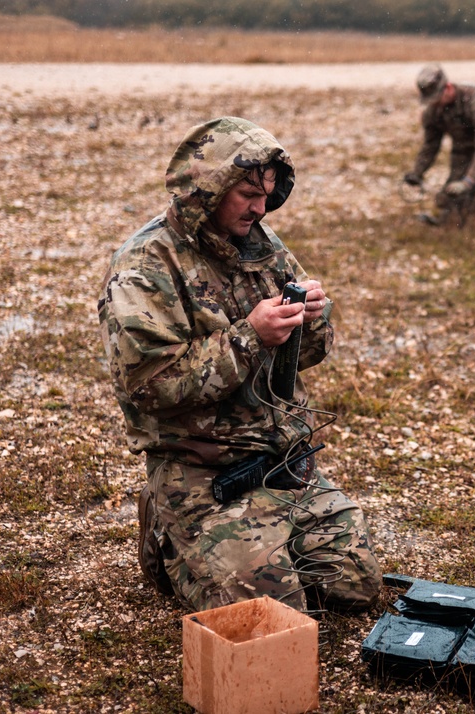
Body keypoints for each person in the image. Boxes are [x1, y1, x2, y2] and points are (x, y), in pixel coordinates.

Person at [98, 116, 382, 614]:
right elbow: (149, 387)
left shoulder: (262, 247)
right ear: (210, 187)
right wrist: (250, 337)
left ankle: (265, 546)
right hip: (203, 473)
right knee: (271, 615)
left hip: (278, 462)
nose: (261, 205)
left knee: (357, 585)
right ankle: (169, 536)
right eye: (248, 191)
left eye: (269, 191)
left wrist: (311, 318)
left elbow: (308, 354)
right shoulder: (145, 267)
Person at [403, 63, 475, 229]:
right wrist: (417, 172)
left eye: (436, 98)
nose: (435, 104)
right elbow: (430, 146)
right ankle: (459, 223)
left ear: (448, 88)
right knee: (452, 198)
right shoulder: (432, 113)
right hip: (464, 151)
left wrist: (468, 181)